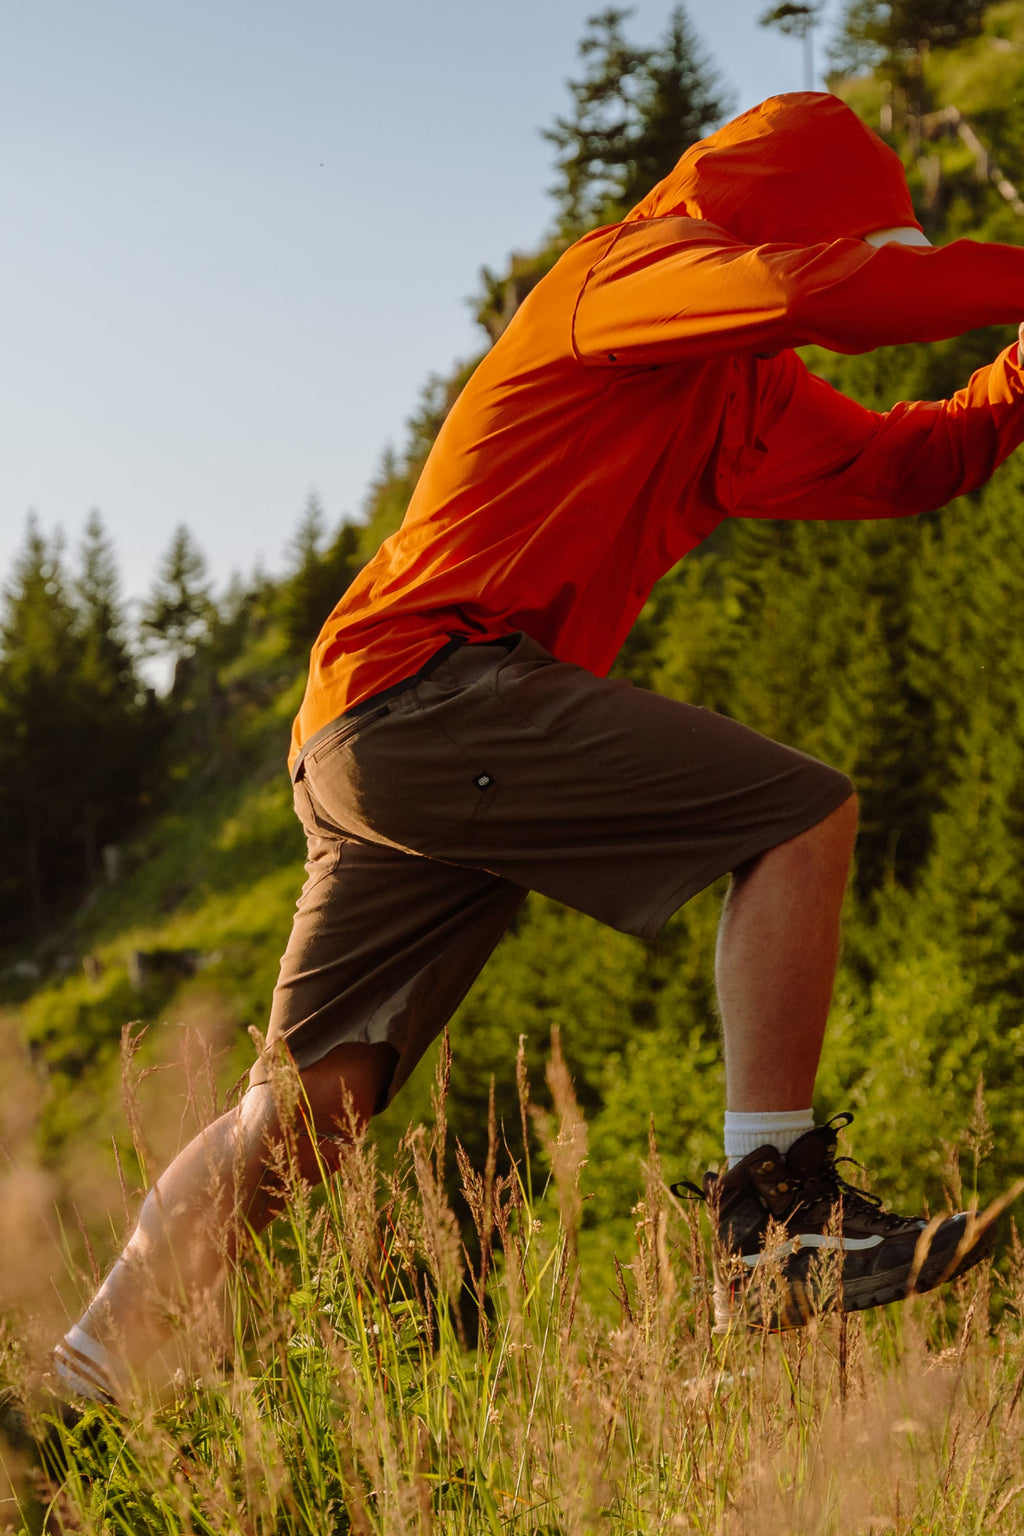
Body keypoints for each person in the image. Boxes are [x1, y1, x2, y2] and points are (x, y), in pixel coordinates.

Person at [48, 90, 1024, 1399]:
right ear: (785, 215)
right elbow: (832, 291)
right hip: (437, 690)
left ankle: (74, 1393)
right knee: (799, 816)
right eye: (870, 240)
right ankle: (779, 1230)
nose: (877, 264)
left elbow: (915, 464)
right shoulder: (622, 279)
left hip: (379, 729)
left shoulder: (738, 387)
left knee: (306, 1112)